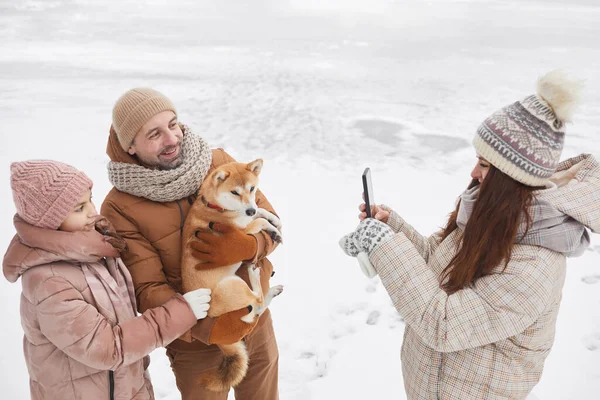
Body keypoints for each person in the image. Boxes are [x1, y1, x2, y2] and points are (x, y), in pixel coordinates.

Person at [339, 71, 599, 399]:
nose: (473, 173)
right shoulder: (496, 218)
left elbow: (443, 323)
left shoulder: (534, 267)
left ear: (513, 177)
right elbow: (439, 265)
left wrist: (385, 245)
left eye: (485, 165)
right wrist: (394, 229)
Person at [101, 88, 280, 399]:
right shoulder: (120, 207)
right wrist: (206, 327)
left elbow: (272, 226)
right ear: (130, 146)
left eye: (173, 124)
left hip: (255, 313)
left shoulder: (218, 163)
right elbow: (147, 288)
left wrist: (248, 247)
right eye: (154, 134)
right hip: (197, 339)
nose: (172, 139)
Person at [3, 160, 212, 400]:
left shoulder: (95, 250)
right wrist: (180, 312)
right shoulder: (48, 282)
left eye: (90, 199)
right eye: (79, 208)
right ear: (49, 222)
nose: (93, 211)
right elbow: (108, 348)